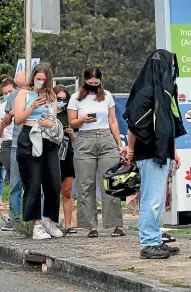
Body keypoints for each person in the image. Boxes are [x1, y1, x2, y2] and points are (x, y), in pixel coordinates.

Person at [124, 49, 185, 259]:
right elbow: (133, 125)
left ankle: (156, 240)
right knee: (152, 200)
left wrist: (173, 151)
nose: (172, 70)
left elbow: (167, 126)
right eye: (170, 65)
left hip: (162, 152)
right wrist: (130, 149)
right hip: (149, 153)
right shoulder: (146, 91)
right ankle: (149, 243)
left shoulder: (163, 91)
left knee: (157, 199)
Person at [67, 67, 125, 238]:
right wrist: (82, 120)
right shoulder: (75, 98)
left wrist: (119, 143)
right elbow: (72, 123)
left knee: (111, 181)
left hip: (106, 136)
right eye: (90, 83)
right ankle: (90, 225)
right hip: (85, 138)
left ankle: (115, 224)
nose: (93, 85)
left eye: (96, 83)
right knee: (86, 184)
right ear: (84, 80)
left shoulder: (107, 95)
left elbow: (113, 120)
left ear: (100, 81)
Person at [14, 64, 64, 240]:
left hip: (47, 138)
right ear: (33, 77)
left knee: (53, 182)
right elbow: (18, 119)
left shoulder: (51, 96)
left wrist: (51, 124)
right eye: (38, 78)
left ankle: (49, 219)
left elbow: (55, 120)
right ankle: (36, 225)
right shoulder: (24, 93)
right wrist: (33, 106)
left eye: (44, 79)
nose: (40, 82)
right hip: (29, 136)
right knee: (33, 184)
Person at [0, 71, 26, 230]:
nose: (10, 93)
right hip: (13, 144)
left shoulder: (38, 95)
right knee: (14, 183)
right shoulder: (12, 98)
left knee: (33, 184)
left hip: (33, 143)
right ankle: (15, 219)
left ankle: (33, 218)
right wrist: (9, 117)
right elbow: (5, 122)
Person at [54, 85, 77, 233]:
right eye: (59, 99)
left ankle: (69, 224)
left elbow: (74, 139)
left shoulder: (68, 115)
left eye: (64, 99)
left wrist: (71, 132)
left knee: (67, 191)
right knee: (52, 190)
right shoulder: (48, 113)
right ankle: (51, 222)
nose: (62, 101)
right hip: (51, 154)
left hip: (67, 154)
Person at [0, 75, 16, 185]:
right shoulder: (0, 109)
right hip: (8, 144)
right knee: (12, 178)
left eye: (10, 91)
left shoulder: (24, 103)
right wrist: (3, 125)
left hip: (23, 141)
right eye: (5, 93)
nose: (8, 95)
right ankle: (14, 202)